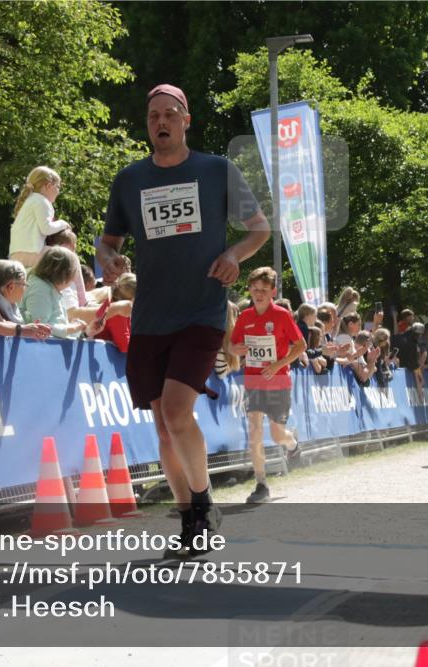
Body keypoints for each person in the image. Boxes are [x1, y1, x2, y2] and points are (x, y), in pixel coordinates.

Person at [96, 84, 270, 555]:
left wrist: (234, 254)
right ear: (147, 123)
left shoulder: (217, 170)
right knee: (161, 425)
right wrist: (107, 259)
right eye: (153, 115)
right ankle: (193, 516)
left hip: (202, 309)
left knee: (176, 411)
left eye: (170, 113)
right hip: (152, 314)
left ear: (186, 120)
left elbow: (259, 229)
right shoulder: (129, 179)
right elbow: (107, 242)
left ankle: (201, 501)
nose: (161, 122)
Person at [230, 267, 306, 504]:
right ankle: (261, 484)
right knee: (254, 432)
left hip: (279, 380)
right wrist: (236, 350)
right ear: (250, 290)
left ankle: (291, 443)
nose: (259, 294)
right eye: (254, 289)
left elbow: (301, 345)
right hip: (253, 381)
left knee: (275, 434)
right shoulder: (244, 317)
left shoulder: (282, 315)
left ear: (273, 291)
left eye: (263, 290)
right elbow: (232, 346)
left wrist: (278, 364)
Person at [20, 246, 96, 339]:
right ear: (64, 273)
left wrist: (86, 332)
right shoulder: (39, 288)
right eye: (73, 272)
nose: (74, 278)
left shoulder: (51, 288)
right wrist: (72, 327)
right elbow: (39, 327)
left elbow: (58, 329)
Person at [8, 166, 71, 268]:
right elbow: (46, 228)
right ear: (48, 185)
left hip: (15, 255)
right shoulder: (42, 201)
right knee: (69, 259)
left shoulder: (29, 201)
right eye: (58, 187)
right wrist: (62, 223)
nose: (59, 191)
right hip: (32, 252)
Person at [0, 259, 51, 339]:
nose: (25, 289)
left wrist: (28, 328)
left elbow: (2, 323)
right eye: (24, 284)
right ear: (11, 287)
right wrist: (20, 330)